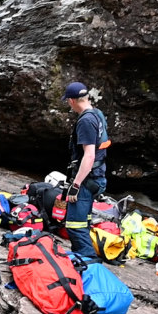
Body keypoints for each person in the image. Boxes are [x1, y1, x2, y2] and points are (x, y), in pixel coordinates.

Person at [61, 81, 111, 257]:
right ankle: (81, 257)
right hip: (97, 178)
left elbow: (89, 155)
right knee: (84, 222)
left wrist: (75, 185)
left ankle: (89, 262)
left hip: (88, 180)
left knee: (75, 226)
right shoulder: (97, 114)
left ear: (72, 101)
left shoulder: (86, 121)